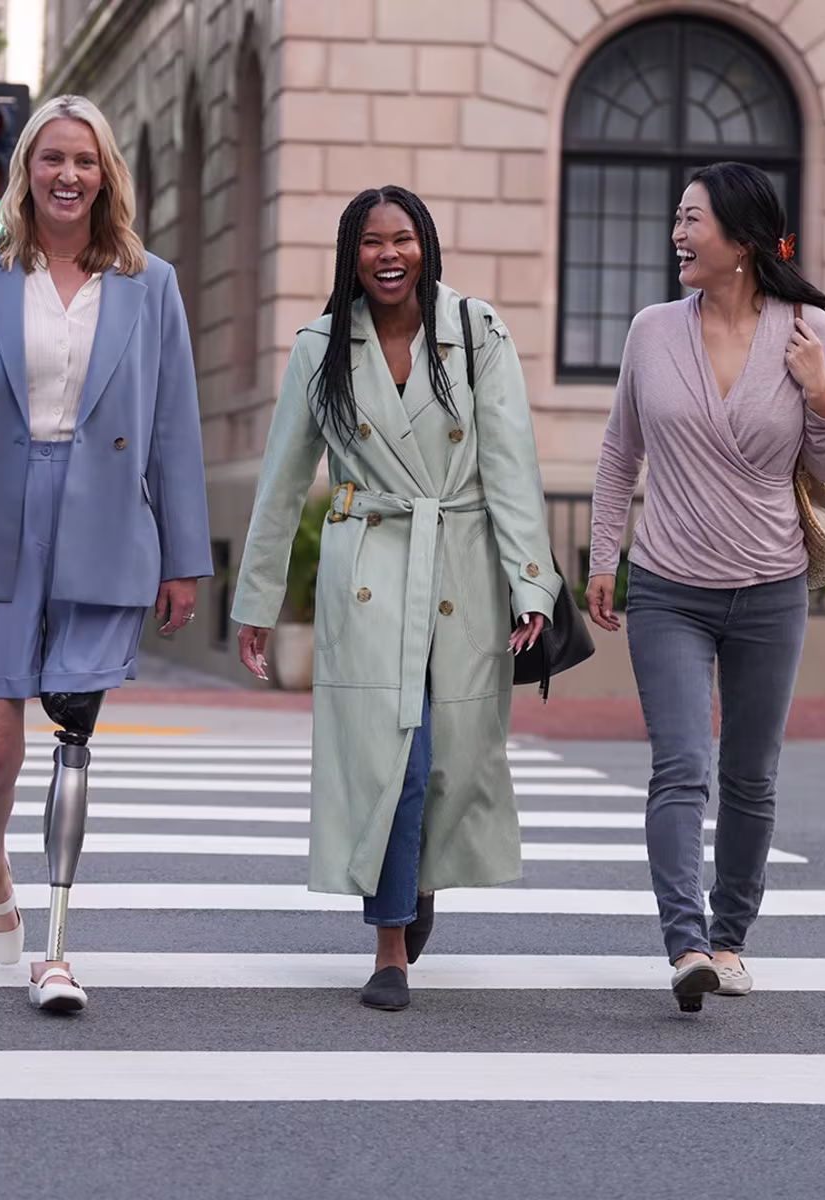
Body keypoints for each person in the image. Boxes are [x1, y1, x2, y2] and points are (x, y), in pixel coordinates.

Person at [0, 94, 211, 1012]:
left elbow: (174, 432)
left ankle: (58, 951)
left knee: (73, 739)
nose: (69, 175)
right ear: (27, 169)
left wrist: (184, 556)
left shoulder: (152, 283)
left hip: (102, 522)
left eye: (87, 161)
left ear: (109, 177)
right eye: (53, 158)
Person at [232, 186, 560, 1011]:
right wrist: (257, 601)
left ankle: (417, 881)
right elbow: (280, 482)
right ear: (351, 254)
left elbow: (511, 464)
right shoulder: (321, 346)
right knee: (392, 757)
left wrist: (532, 581)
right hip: (369, 567)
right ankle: (388, 946)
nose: (387, 255)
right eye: (371, 242)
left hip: (459, 566)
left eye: (402, 239)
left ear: (425, 247)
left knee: (447, 758)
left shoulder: (476, 332)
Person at [585, 161, 825, 1011]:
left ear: (741, 239)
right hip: (669, 584)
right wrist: (603, 558)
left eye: (693, 220)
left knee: (749, 774)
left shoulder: (808, 331)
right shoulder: (652, 330)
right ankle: (687, 942)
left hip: (772, 587)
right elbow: (619, 451)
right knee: (681, 766)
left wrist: (822, 396)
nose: (678, 234)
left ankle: (732, 936)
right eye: (677, 218)